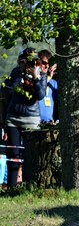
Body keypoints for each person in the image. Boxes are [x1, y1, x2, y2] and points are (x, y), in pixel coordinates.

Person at [2, 47, 47, 188]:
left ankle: (30, 185)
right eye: (23, 61)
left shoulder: (41, 74)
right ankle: (11, 186)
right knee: (13, 153)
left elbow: (40, 95)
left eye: (31, 61)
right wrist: (20, 73)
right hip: (13, 117)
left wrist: (35, 77)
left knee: (31, 154)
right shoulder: (15, 72)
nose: (27, 64)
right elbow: (7, 91)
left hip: (31, 118)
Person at [36, 50, 58, 124]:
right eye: (44, 63)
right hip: (35, 123)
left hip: (50, 123)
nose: (47, 66)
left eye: (49, 64)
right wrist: (47, 78)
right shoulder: (33, 80)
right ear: (37, 63)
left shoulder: (54, 83)